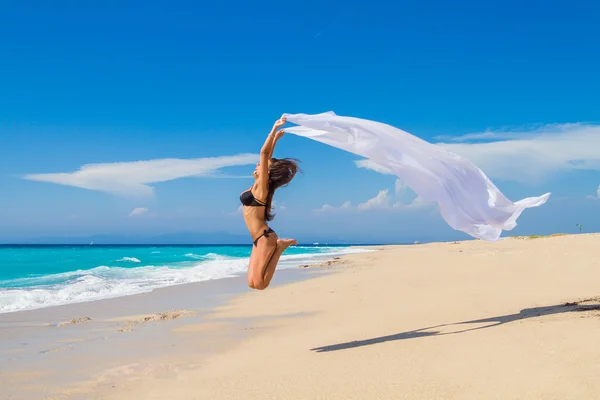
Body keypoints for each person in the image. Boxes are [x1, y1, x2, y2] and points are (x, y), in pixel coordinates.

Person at [240, 116, 300, 290]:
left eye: (261, 165)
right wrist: (275, 140)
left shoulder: (261, 189)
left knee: (260, 284)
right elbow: (266, 159)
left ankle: (280, 247)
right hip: (258, 239)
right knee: (251, 283)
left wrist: (273, 130)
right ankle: (279, 247)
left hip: (265, 237)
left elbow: (265, 154)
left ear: (266, 171)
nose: (257, 164)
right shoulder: (257, 187)